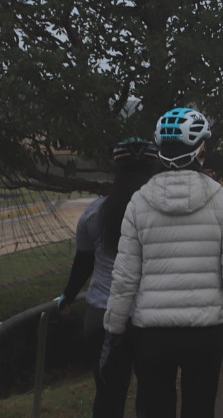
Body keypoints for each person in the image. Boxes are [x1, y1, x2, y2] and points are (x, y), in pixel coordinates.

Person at [104, 107, 223, 418]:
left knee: (154, 408)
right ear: (201, 152)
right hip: (205, 331)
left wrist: (115, 328)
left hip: (151, 332)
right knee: (199, 409)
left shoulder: (139, 201)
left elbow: (124, 277)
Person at [59, 138, 160, 418]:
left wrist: (67, 296)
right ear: (154, 169)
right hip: (151, 316)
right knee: (152, 395)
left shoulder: (95, 212)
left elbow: (83, 263)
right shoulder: (161, 212)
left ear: (116, 169)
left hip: (102, 313)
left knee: (108, 396)